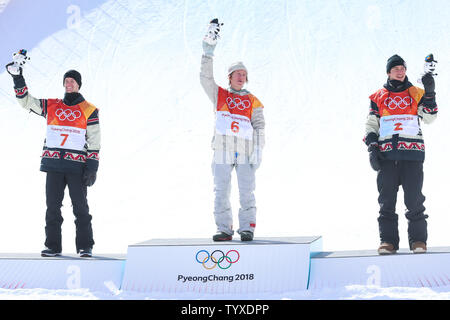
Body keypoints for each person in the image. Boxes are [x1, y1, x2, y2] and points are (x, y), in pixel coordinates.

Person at [6, 50, 100, 257]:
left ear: (79, 84)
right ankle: (53, 246)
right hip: (54, 165)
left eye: (72, 81)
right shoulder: (53, 106)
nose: (69, 83)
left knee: (81, 208)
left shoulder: (89, 110)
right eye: (66, 80)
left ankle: (85, 246)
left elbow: (94, 141)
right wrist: (17, 78)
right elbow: (26, 102)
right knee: (52, 208)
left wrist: (92, 167)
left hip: (77, 167)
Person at [364, 54, 438, 254]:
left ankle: (418, 242)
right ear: (388, 72)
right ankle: (388, 242)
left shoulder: (416, 93)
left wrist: (430, 93)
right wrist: (372, 146)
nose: (400, 71)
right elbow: (372, 124)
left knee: (414, 200)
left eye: (402, 68)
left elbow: (430, 118)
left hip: (412, 155)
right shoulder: (378, 96)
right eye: (396, 68)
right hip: (387, 156)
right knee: (386, 200)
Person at [200, 19, 265, 242]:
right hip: (222, 149)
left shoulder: (253, 100)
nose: (241, 76)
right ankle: (224, 228)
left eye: (244, 74)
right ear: (229, 77)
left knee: (247, 192)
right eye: (237, 73)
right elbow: (205, 78)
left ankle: (247, 227)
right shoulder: (220, 96)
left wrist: (259, 148)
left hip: (245, 150)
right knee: (221, 191)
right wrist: (207, 52)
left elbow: (259, 126)